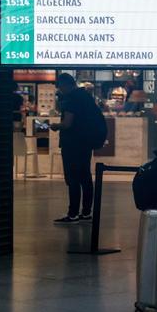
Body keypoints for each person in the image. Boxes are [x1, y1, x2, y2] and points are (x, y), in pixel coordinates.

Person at [50, 74, 99, 224]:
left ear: (65, 85)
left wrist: (55, 126)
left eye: (60, 86)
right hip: (85, 143)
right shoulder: (86, 96)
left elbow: (67, 124)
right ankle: (86, 213)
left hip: (72, 144)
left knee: (73, 179)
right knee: (85, 178)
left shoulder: (71, 99)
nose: (59, 90)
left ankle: (72, 214)